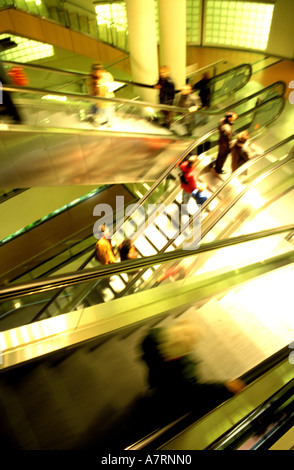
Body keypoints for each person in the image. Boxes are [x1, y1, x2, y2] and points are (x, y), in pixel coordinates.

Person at [140, 319, 246, 423]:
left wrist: (225, 386)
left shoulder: (186, 371)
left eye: (170, 356)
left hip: (167, 393)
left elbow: (193, 390)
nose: (166, 357)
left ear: (183, 355)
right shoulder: (153, 337)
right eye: (162, 350)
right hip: (158, 379)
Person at [90, 62, 115, 126]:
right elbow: (90, 87)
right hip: (97, 98)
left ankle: (107, 123)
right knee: (99, 110)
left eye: (98, 68)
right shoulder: (92, 76)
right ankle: (100, 122)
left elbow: (110, 84)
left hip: (106, 97)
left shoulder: (106, 75)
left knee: (107, 111)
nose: (97, 70)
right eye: (96, 68)